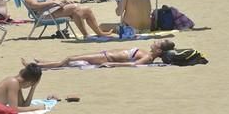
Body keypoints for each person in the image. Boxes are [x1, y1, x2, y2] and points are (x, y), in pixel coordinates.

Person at [25, 39, 175, 69]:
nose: (155, 41)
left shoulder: (148, 57)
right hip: (105, 54)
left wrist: (111, 64)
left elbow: (134, 64)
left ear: (159, 51)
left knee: (70, 59)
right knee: (72, 59)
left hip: (106, 57)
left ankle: (39, 65)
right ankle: (45, 62)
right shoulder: (148, 53)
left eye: (157, 43)